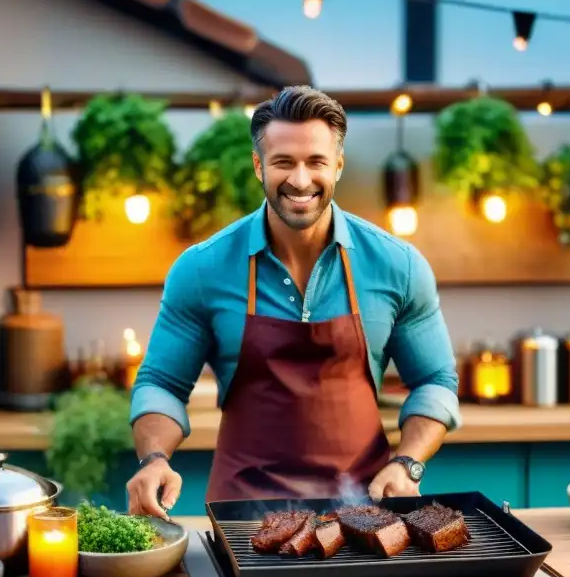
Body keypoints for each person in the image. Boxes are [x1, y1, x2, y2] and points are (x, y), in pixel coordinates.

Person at [126, 85, 460, 518]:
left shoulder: (398, 265)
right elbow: (161, 383)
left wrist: (408, 462)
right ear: (258, 165)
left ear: (337, 165)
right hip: (242, 515)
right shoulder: (202, 269)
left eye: (316, 161)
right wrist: (154, 460)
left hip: (364, 514)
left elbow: (436, 379)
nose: (300, 180)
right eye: (283, 162)